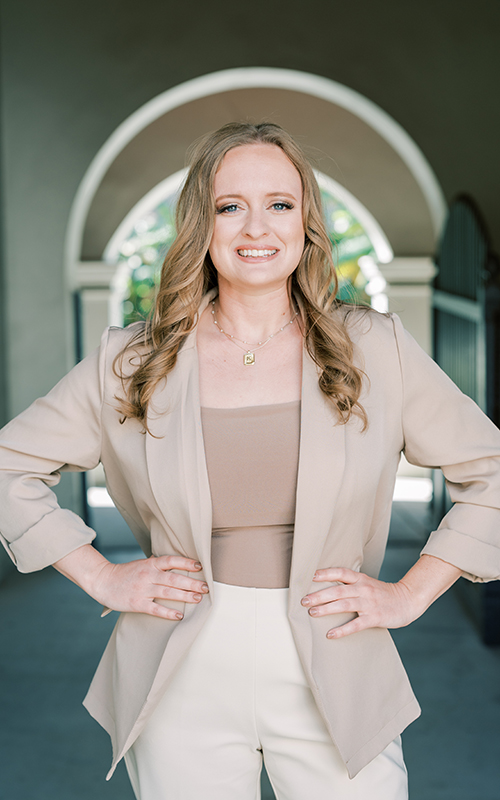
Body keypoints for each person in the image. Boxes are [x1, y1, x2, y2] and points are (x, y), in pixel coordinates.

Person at [1, 122, 500, 800]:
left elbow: (490, 471)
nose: (255, 228)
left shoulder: (373, 349)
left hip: (337, 656)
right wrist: (103, 579)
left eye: (280, 204)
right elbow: (9, 464)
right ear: (201, 225)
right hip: (180, 667)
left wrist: (412, 593)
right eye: (230, 205)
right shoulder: (133, 361)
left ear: (306, 223)